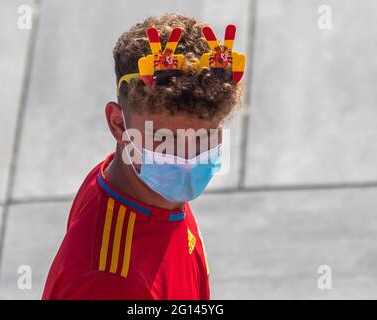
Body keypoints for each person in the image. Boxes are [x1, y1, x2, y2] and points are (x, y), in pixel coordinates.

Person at [42, 12, 244, 300]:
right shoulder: (110, 281)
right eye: (165, 140)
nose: (187, 161)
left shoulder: (142, 190)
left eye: (204, 137)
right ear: (118, 124)